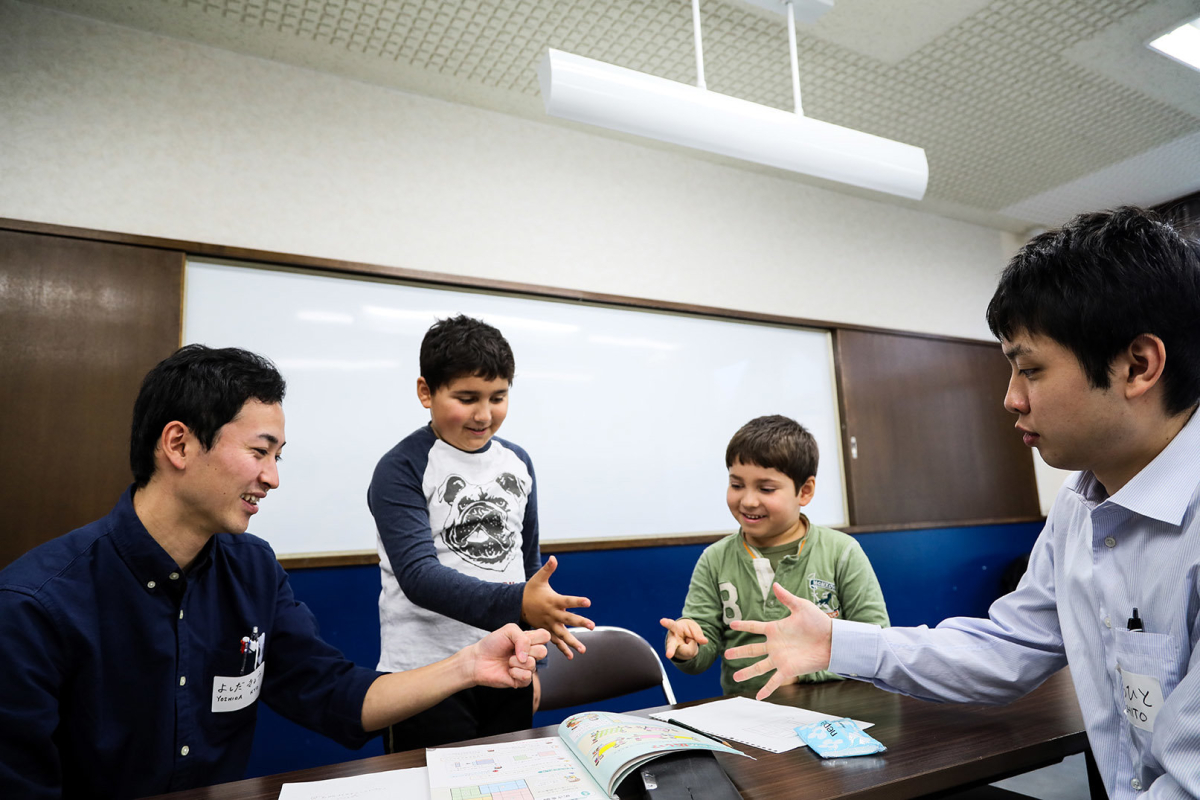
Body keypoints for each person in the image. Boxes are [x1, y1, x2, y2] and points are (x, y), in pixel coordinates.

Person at [725, 207, 1200, 800]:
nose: (1011, 399)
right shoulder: (1080, 506)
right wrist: (836, 641)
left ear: (1138, 365)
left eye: (1030, 370)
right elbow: (1008, 648)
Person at [0, 345, 549, 799]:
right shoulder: (36, 605)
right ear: (179, 444)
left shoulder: (252, 569)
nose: (273, 478)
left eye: (279, 456)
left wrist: (469, 665)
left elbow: (330, 692)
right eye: (260, 452)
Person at [368, 314, 594, 752]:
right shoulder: (401, 467)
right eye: (467, 397)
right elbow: (418, 578)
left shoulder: (517, 462)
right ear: (425, 392)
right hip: (426, 674)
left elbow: (529, 570)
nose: (484, 414)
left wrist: (531, 655)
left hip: (506, 664)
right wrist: (519, 602)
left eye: (499, 397)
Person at [660, 415, 889, 697]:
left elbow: (874, 644)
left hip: (837, 709)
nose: (748, 500)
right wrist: (688, 648)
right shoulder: (714, 559)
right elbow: (702, 643)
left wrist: (806, 672)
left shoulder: (842, 552)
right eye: (736, 485)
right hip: (747, 715)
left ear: (804, 491)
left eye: (766, 489)